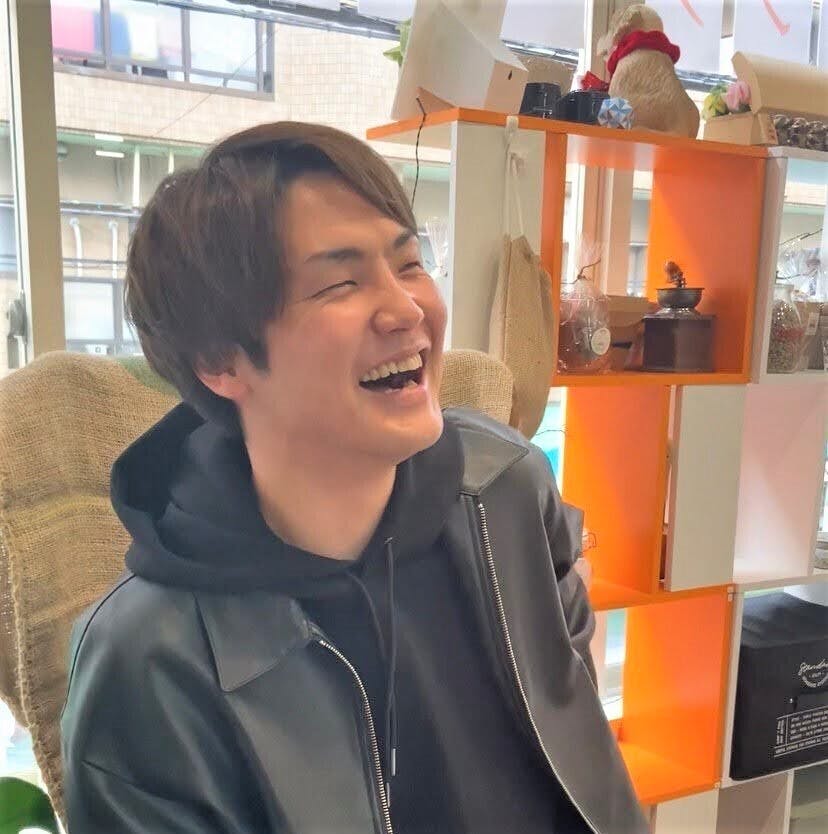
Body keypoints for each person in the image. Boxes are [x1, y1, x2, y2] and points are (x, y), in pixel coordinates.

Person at [60, 122, 649, 834]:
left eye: (409, 264)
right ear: (221, 361)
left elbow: (586, 767)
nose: (407, 310)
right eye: (341, 282)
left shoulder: (509, 492)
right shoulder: (148, 662)